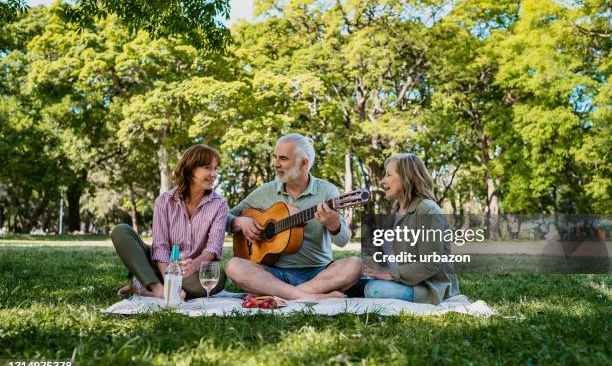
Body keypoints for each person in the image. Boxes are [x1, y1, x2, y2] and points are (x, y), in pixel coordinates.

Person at [224, 134, 362, 300]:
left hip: (317, 273)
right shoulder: (266, 191)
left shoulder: (327, 191)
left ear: (304, 163)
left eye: (283, 159)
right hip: (273, 274)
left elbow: (343, 241)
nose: (276, 164)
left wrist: (334, 225)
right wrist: (240, 221)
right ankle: (307, 296)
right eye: (275, 157)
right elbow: (225, 218)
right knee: (233, 266)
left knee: (355, 265)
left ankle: (279, 294)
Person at [111, 144, 228, 299]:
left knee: (218, 278)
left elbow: (213, 247)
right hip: (160, 268)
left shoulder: (219, 204)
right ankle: (159, 290)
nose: (213, 174)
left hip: (191, 273)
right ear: (190, 169)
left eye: (215, 168)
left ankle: (146, 289)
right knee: (121, 231)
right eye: (208, 168)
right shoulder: (164, 202)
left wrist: (195, 264)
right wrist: (169, 280)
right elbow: (160, 245)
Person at [364, 153, 460, 305]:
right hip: (402, 281)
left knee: (373, 290)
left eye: (389, 175)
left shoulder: (428, 211)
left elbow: (430, 264)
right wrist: (373, 267)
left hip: (427, 288)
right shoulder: (396, 212)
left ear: (406, 177)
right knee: (352, 279)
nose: (383, 181)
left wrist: (388, 274)